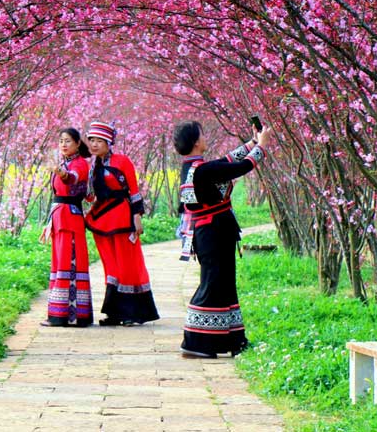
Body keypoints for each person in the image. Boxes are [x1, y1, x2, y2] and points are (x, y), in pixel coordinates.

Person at [173, 120, 271, 358]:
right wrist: (262, 147)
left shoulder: (193, 166)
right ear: (196, 141)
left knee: (224, 284)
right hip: (213, 233)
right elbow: (239, 168)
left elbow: (226, 161)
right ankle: (195, 341)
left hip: (212, 232)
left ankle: (233, 340)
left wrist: (251, 142)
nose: (206, 137)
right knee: (213, 284)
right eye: (203, 134)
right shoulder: (202, 170)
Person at [84, 121, 160, 326]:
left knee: (127, 263)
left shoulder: (122, 161)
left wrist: (137, 217)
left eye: (99, 140)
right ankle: (115, 312)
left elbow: (133, 190)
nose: (94, 144)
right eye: (91, 140)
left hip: (122, 217)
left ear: (109, 142)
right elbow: (91, 196)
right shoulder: (93, 166)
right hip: (101, 219)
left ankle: (132, 312)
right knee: (111, 265)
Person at [39, 128, 93, 327]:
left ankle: (68, 315)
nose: (63, 144)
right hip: (59, 217)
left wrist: (60, 172)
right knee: (59, 264)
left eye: (68, 141)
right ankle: (59, 313)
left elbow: (72, 179)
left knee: (69, 264)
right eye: (61, 141)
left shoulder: (80, 165)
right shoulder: (64, 163)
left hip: (70, 219)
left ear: (78, 143)